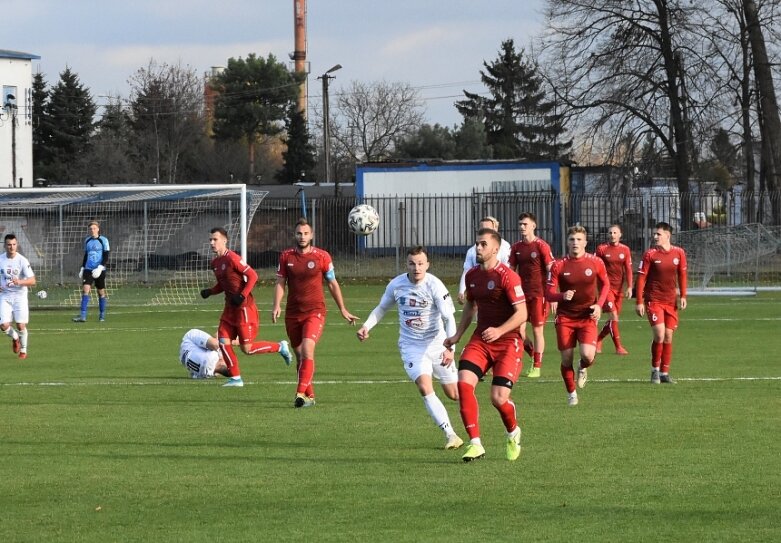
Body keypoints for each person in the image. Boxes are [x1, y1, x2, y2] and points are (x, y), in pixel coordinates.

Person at [356, 246, 464, 450]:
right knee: (425, 386)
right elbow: (381, 308)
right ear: (406, 264)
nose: (416, 268)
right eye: (412, 264)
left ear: (427, 265)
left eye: (421, 263)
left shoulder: (435, 285)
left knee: (455, 394)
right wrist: (366, 326)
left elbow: (449, 318)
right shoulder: (396, 285)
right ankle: (450, 434)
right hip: (411, 346)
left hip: (438, 343)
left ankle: (472, 419)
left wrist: (451, 348)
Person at [444, 228, 528, 463]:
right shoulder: (472, 276)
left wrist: (500, 330)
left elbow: (522, 313)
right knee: (463, 384)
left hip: (508, 342)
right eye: (476, 244)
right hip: (481, 340)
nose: (478, 249)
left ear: (495, 249)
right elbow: (471, 307)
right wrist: (457, 335)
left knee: (498, 398)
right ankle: (475, 443)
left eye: (482, 244)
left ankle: (513, 432)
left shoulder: (508, 277)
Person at [272, 218, 359, 407]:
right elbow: (280, 283)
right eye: (299, 233)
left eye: (305, 233)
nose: (302, 237)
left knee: (307, 350)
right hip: (293, 314)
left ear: (311, 235)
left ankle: (299, 393)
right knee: (299, 356)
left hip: (315, 312)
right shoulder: (286, 256)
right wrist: (276, 305)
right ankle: (309, 397)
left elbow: (332, 283)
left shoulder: (322, 256)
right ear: (294, 235)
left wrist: (343, 309)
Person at [200, 227, 292, 388]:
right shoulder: (215, 263)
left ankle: (280, 346)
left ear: (224, 240)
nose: (212, 243)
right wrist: (210, 291)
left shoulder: (232, 258)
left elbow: (253, 276)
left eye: (215, 239)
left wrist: (242, 295)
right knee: (222, 341)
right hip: (229, 309)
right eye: (210, 240)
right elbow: (223, 284)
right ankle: (236, 378)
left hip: (244, 309)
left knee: (247, 349)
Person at [546, 226, 610, 406]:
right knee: (566, 358)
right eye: (572, 239)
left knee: (588, 355)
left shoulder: (596, 262)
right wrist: (561, 296)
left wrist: (598, 305)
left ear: (585, 242)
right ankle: (571, 393)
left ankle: (582, 368)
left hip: (587, 316)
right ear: (567, 242)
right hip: (565, 317)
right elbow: (548, 293)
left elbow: (605, 285)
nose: (575, 243)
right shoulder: (559, 265)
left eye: (579, 239)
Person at [634, 222, 688, 384]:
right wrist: (639, 301)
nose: (655, 236)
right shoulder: (650, 254)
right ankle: (654, 370)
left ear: (667, 236)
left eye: (658, 234)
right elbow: (641, 278)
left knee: (668, 336)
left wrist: (683, 295)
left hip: (670, 301)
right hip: (654, 300)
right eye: (655, 234)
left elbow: (682, 275)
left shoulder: (679, 253)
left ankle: (665, 373)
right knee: (659, 334)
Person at [508, 212, 555, 378]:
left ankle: (537, 366)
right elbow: (510, 272)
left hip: (539, 294)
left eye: (525, 224)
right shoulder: (516, 248)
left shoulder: (542, 246)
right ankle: (534, 354)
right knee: (518, 330)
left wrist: (553, 293)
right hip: (521, 296)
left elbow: (552, 271)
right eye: (520, 224)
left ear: (533, 226)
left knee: (537, 331)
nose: (522, 227)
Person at [595, 224, 633, 355]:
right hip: (606, 288)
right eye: (610, 232)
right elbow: (596, 267)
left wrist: (629, 286)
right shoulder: (601, 249)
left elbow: (628, 269)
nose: (612, 235)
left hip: (619, 289)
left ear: (620, 234)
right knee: (614, 316)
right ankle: (618, 347)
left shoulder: (625, 250)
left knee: (613, 320)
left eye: (615, 232)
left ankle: (598, 339)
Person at [457, 216, 511, 305]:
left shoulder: (505, 247)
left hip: (498, 292)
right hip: (480, 291)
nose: (484, 232)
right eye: (482, 229)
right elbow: (466, 271)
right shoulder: (472, 251)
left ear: (495, 229)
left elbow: (508, 271)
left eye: (488, 229)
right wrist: (461, 291)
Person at [0, 234, 36, 359]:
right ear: (5, 245)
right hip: (5, 295)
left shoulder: (22, 260)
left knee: (20, 325)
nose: (11, 247)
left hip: (19, 296)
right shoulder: (1, 259)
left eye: (14, 244)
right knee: (3, 325)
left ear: (17, 245)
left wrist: (20, 282)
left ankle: (23, 350)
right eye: (9, 244)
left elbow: (32, 281)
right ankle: (15, 338)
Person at [73, 221, 110, 322]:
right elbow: (86, 255)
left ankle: (102, 316)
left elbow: (106, 256)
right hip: (88, 269)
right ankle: (83, 316)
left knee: (101, 292)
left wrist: (100, 267)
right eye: (90, 229)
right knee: (85, 290)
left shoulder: (104, 240)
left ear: (98, 229)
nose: (92, 230)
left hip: (99, 270)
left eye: (94, 228)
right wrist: (82, 267)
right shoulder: (87, 241)